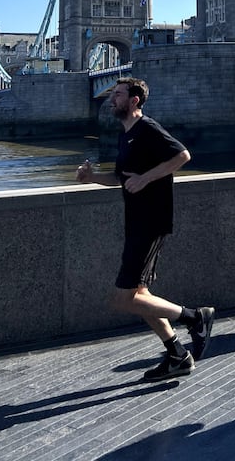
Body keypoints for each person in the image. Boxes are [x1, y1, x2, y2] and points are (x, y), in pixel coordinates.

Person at [76, 76, 215, 382]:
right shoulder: (125, 135)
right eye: (113, 94)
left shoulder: (147, 128)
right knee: (141, 295)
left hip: (150, 221)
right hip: (136, 221)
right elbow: (121, 178)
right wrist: (91, 177)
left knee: (123, 299)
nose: (112, 99)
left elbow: (182, 155)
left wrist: (146, 178)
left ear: (134, 100)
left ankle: (196, 317)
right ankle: (177, 355)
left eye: (118, 94)